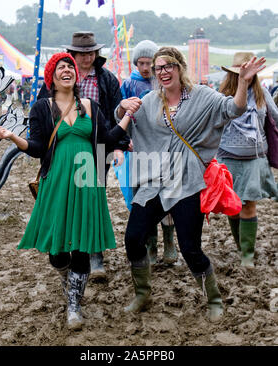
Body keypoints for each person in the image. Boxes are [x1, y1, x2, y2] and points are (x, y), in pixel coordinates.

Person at [115, 46, 266, 322]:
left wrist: (243, 83)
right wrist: (121, 107)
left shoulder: (203, 97)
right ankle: (142, 293)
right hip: (154, 182)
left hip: (187, 182)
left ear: (180, 67)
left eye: (168, 66)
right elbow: (123, 118)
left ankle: (214, 299)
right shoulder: (150, 100)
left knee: (190, 247)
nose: (163, 72)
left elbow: (234, 108)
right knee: (133, 238)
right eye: (159, 68)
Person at [0, 52, 131, 331]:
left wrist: (126, 119)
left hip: (86, 181)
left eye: (70, 66)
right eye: (61, 67)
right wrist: (12, 137)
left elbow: (105, 138)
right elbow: (38, 148)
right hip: (55, 181)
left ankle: (74, 306)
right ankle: (69, 282)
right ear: (52, 77)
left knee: (81, 247)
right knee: (57, 252)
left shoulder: (89, 105)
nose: (67, 69)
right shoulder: (42, 107)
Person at [38, 31, 130, 279]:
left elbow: (115, 112)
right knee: (65, 200)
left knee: (92, 196)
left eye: (91, 52)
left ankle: (95, 253)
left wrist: (119, 143)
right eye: (82, 53)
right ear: (73, 54)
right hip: (63, 148)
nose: (87, 57)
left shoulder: (107, 78)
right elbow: (42, 114)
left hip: (97, 146)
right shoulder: (57, 79)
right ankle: (66, 245)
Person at [217, 52, 278, 268]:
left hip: (254, 159)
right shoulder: (222, 94)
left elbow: (276, 117)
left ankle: (247, 255)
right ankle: (240, 245)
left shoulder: (262, 95)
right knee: (233, 207)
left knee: (248, 206)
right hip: (227, 159)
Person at [120, 40, 178, 265]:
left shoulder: (164, 83)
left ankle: (170, 242)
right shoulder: (128, 85)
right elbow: (123, 115)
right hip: (140, 150)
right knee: (145, 197)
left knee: (168, 195)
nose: (145, 67)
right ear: (136, 63)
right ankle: (151, 244)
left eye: (149, 63)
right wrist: (126, 140)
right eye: (141, 63)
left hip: (165, 148)